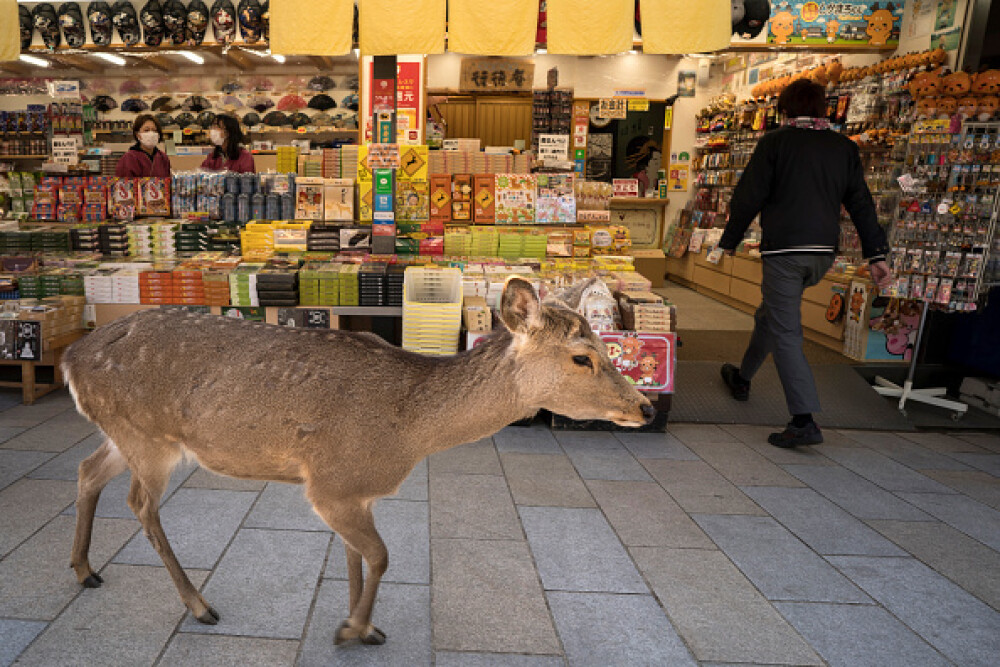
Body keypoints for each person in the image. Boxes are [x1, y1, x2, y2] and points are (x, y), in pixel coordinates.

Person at [717, 78, 892, 448]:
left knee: (786, 332)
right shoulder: (843, 147)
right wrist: (876, 254)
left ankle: (803, 420)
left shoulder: (775, 143)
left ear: (784, 107)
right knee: (771, 316)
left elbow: (748, 197)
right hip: (822, 254)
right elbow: (861, 202)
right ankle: (742, 377)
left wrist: (728, 241)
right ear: (823, 108)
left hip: (784, 251)